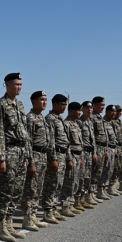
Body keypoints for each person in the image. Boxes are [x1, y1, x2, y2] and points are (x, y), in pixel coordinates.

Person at [0, 73, 31, 241]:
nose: (19, 87)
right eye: (16, 84)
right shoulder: (0, 104)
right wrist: (1, 158)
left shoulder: (20, 105)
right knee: (5, 191)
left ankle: (9, 224)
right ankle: (1, 227)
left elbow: (25, 131)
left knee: (17, 190)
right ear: (7, 85)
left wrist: (28, 154)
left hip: (21, 152)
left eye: (21, 84)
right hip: (9, 152)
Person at [20, 91, 51, 231]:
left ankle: (33, 215)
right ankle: (27, 218)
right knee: (30, 189)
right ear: (33, 101)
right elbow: (28, 142)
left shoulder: (41, 117)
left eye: (45, 99)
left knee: (38, 188)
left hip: (43, 156)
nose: (44, 102)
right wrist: (30, 161)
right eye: (41, 100)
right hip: (35, 155)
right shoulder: (30, 118)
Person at [42, 94, 71, 222]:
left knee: (59, 184)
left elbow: (66, 140)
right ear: (55, 104)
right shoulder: (50, 119)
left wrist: (68, 157)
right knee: (52, 184)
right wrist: (53, 158)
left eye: (65, 104)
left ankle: (54, 208)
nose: (64, 107)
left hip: (63, 155)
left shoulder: (59, 118)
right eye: (62, 104)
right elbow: (51, 141)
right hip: (56, 155)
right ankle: (48, 211)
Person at [62, 102, 85, 214]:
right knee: (69, 182)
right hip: (71, 156)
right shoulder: (66, 124)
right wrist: (69, 159)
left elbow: (79, 143)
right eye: (77, 110)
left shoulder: (77, 124)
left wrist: (80, 157)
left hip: (78, 155)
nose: (80, 112)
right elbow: (67, 144)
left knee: (76, 181)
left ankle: (71, 204)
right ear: (70, 111)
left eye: (80, 110)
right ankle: (65, 206)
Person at [90, 96, 110, 202]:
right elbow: (91, 136)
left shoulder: (99, 117)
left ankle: (93, 193)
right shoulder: (92, 118)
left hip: (102, 148)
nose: (103, 107)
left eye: (103, 105)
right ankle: (89, 194)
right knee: (93, 172)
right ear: (95, 105)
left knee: (99, 172)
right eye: (101, 105)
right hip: (96, 148)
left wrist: (105, 150)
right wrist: (94, 151)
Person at [79, 101, 97, 208]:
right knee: (81, 177)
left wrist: (94, 152)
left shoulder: (90, 122)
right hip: (83, 153)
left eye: (91, 108)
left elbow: (93, 139)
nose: (89, 110)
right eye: (87, 108)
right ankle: (78, 199)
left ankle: (84, 198)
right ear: (82, 109)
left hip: (90, 153)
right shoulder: (79, 122)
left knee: (87, 177)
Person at [102, 105, 119, 197]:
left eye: (115, 111)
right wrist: (105, 151)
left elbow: (114, 138)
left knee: (110, 170)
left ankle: (106, 188)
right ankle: (101, 189)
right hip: (107, 149)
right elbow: (103, 138)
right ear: (107, 111)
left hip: (113, 149)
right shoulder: (103, 122)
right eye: (112, 111)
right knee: (105, 170)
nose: (114, 113)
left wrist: (115, 149)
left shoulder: (112, 123)